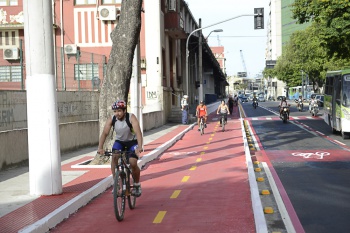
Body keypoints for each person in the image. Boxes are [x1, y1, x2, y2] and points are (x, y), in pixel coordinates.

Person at [97, 100, 143, 197]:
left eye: (119, 111)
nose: (117, 113)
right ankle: (116, 183)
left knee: (133, 163)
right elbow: (105, 133)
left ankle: (137, 185)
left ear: (124, 110)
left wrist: (139, 147)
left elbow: (138, 132)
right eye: (115, 111)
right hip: (119, 142)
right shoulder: (112, 119)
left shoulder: (131, 117)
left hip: (132, 142)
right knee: (114, 157)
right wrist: (100, 147)